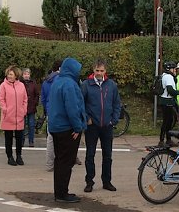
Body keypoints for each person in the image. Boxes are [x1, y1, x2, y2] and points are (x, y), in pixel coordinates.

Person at [47, 57, 87, 203]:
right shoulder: (70, 84)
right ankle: (63, 194)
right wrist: (78, 127)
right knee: (66, 162)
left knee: (59, 161)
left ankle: (59, 192)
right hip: (67, 128)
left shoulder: (57, 81)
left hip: (55, 127)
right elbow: (72, 108)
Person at [81, 58, 121, 193]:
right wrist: (87, 119)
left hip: (107, 125)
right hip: (92, 126)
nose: (99, 73)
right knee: (90, 155)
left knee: (108, 155)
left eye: (102, 70)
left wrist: (113, 120)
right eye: (97, 70)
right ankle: (89, 181)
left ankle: (107, 181)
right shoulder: (86, 85)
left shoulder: (111, 85)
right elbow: (81, 104)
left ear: (105, 71)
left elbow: (116, 104)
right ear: (93, 70)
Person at [0, 65, 28, 166]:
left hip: (19, 116)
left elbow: (25, 99)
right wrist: (5, 109)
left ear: (16, 75)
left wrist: (23, 110)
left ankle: (19, 156)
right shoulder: (3, 85)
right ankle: (9, 157)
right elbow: (1, 99)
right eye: (8, 74)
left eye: (11, 74)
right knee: (9, 138)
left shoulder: (21, 85)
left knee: (20, 138)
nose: (9, 76)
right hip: (8, 116)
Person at [158, 61, 179, 147]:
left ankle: (166, 139)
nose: (175, 71)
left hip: (164, 100)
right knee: (168, 121)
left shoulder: (164, 75)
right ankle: (164, 140)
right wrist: (178, 92)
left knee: (168, 121)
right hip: (167, 101)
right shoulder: (169, 77)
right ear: (169, 69)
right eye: (174, 69)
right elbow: (170, 90)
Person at [21, 68, 41, 147]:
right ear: (22, 75)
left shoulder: (33, 83)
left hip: (31, 107)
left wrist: (35, 103)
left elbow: (37, 94)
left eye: (28, 74)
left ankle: (31, 141)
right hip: (22, 107)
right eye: (25, 74)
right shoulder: (20, 83)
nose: (26, 76)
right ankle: (21, 141)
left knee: (31, 125)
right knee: (22, 125)